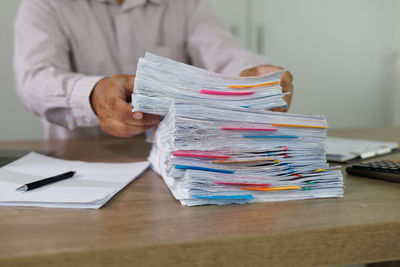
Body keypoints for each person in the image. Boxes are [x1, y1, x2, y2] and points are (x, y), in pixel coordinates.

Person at [14, 0, 293, 140]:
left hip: (172, 162)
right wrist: (93, 95)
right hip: (78, 161)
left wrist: (254, 73)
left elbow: (223, 52)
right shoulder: (44, 4)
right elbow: (34, 80)